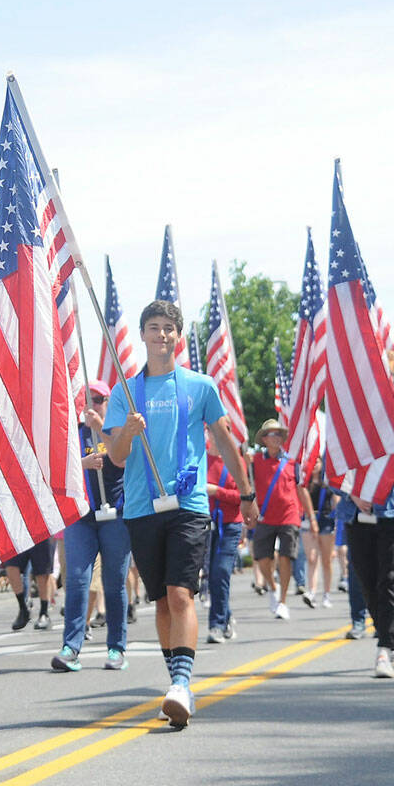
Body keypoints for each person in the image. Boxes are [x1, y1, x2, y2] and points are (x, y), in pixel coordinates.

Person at [103, 300, 257, 727]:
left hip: (188, 505)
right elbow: (115, 458)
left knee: (181, 594)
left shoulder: (200, 385)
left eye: (169, 328)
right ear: (143, 336)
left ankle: (183, 683)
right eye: (154, 328)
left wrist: (246, 493)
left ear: (179, 336)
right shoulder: (125, 392)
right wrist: (128, 434)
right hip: (140, 508)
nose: (162, 336)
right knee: (161, 601)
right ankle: (177, 685)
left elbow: (226, 443)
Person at [334, 354, 394, 679]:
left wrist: (376, 489)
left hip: (392, 506)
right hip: (356, 509)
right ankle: (386, 634)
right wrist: (355, 492)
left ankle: (385, 647)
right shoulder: (349, 415)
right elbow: (336, 457)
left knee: (390, 577)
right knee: (365, 577)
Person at [53, 381, 131, 671]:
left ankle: (117, 648)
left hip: (116, 515)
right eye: (87, 399)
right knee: (76, 579)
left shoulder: (118, 431)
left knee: (113, 583)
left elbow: (122, 459)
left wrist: (101, 428)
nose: (92, 404)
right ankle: (71, 647)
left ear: (109, 402)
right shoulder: (73, 434)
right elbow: (58, 470)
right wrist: (81, 464)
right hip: (82, 517)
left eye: (98, 399)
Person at [250, 419, 311, 621]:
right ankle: (272, 586)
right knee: (261, 557)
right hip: (266, 516)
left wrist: (311, 517)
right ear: (264, 439)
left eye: (278, 434)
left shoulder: (292, 462)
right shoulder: (255, 460)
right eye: (271, 435)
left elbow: (301, 490)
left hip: (289, 515)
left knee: (286, 557)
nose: (276, 438)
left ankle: (283, 601)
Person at [204, 430, 241, 643]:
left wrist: (217, 491)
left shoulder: (234, 461)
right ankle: (225, 616)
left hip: (229, 526)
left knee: (221, 572)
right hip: (204, 525)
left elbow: (242, 496)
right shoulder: (200, 458)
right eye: (213, 430)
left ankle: (216, 625)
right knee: (211, 575)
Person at [302, 458, 339, 610]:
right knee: (311, 558)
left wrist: (337, 519)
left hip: (326, 520)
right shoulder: (305, 482)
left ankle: (327, 594)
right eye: (313, 462)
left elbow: (336, 498)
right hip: (309, 520)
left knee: (326, 560)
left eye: (318, 461)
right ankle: (311, 592)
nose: (315, 465)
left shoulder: (328, 481)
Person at [5, 538, 55, 631]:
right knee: (11, 565)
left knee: (42, 571)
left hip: (40, 530)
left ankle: (44, 613)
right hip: (16, 530)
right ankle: (23, 608)